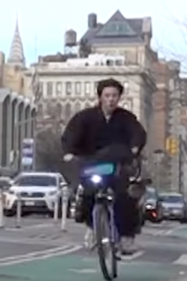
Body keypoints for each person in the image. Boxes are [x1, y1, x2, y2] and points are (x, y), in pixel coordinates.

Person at [61, 78, 147, 255]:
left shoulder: (126, 118)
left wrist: (135, 147)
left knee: (125, 197)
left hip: (117, 165)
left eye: (114, 95)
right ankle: (93, 228)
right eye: (107, 95)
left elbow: (137, 133)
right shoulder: (85, 117)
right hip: (92, 164)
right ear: (100, 97)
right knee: (87, 194)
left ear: (119, 97)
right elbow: (71, 135)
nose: (111, 99)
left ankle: (126, 237)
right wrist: (70, 153)